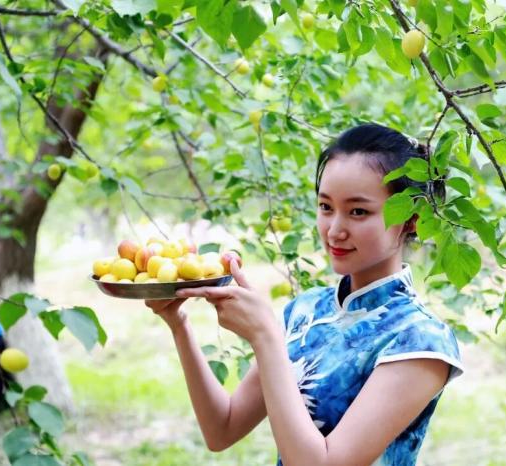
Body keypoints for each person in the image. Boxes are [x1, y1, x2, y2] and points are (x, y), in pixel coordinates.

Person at [145, 123, 464, 465]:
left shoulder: (420, 340)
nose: (335, 230)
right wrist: (178, 323)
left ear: (412, 219)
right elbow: (222, 429)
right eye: (326, 207)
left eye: (358, 211)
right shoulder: (307, 311)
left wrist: (265, 336)